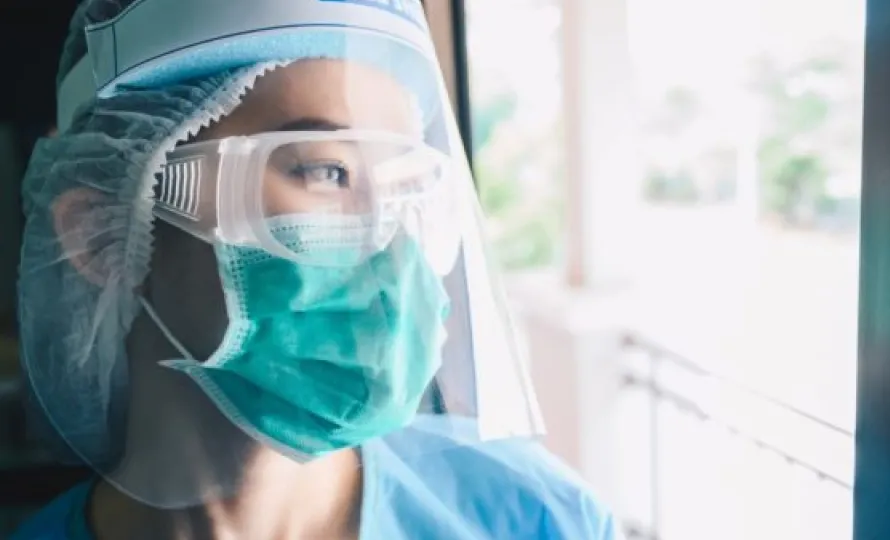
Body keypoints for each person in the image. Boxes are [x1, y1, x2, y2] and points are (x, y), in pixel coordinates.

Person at [10, 0, 621, 538]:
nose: (393, 247)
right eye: (327, 171)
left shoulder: (539, 520)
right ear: (99, 231)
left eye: (405, 187)